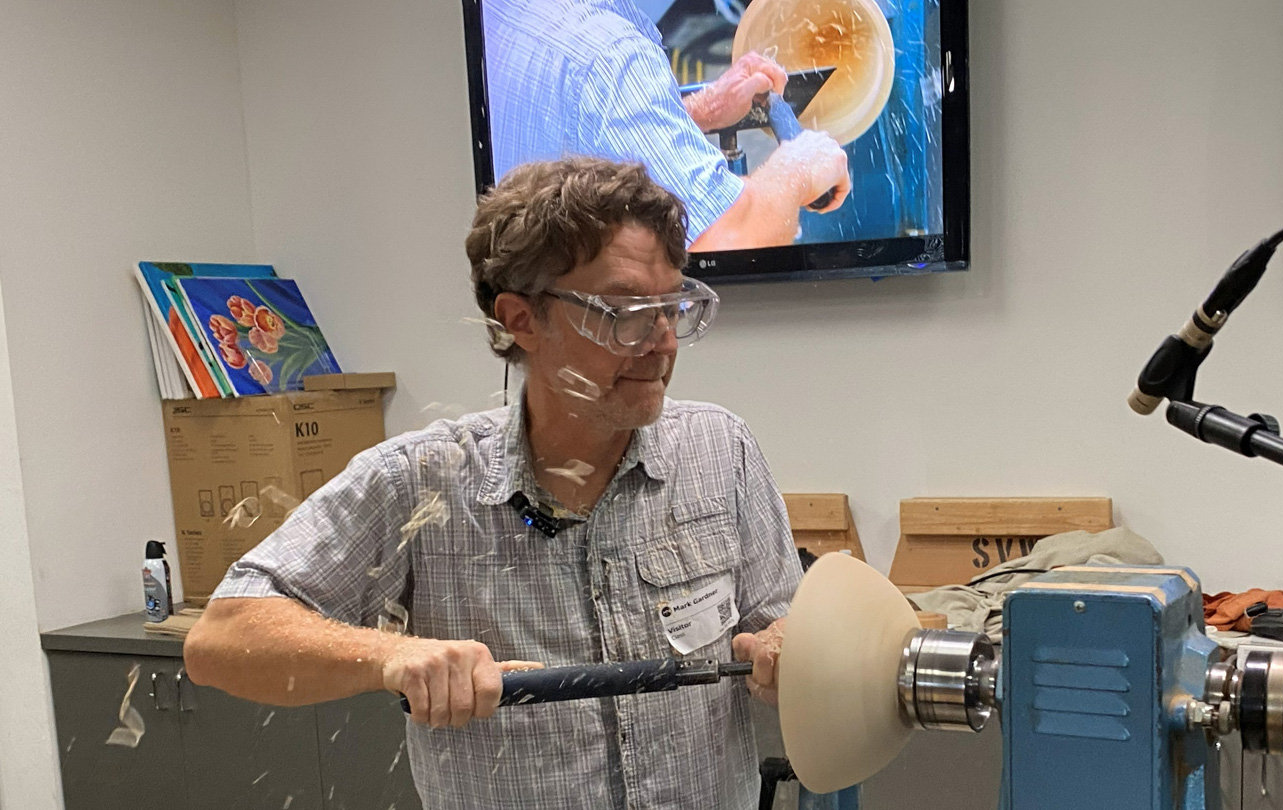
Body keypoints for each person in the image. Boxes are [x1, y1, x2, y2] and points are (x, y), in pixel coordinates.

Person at [184, 156, 802, 809]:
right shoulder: (420, 483)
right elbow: (219, 638)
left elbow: (781, 624)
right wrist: (389, 657)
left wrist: (791, 646)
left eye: (672, 305)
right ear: (521, 319)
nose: (661, 341)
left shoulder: (720, 451)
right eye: (623, 310)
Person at [481, 0, 852, 251]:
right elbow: (723, 245)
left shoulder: (500, 13)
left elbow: (577, 129)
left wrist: (696, 112)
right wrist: (797, 171)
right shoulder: (610, 54)